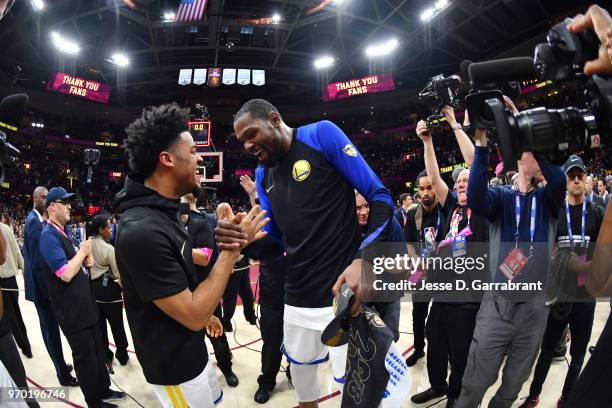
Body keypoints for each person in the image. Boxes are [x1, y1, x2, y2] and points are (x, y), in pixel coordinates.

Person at [215, 99, 399, 408]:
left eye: (251, 134)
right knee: (304, 392)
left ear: (274, 119)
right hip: (295, 300)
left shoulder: (320, 135)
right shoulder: (263, 174)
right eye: (241, 140)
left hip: (341, 300)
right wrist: (242, 244)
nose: (246, 145)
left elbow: (380, 197)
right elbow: (276, 242)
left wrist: (361, 258)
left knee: (356, 395)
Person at [115, 103, 267, 408]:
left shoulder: (164, 213)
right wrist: (232, 250)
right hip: (174, 370)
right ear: (167, 159)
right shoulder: (141, 231)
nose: (200, 159)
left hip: (192, 351)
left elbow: (180, 286)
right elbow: (192, 314)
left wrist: (208, 312)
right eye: (193, 151)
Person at [456, 96, 566, 408]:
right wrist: (480, 145)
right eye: (524, 152)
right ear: (518, 162)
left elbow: (557, 177)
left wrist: (526, 129)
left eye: (532, 152)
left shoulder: (548, 199)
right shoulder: (501, 197)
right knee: (475, 380)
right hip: (498, 306)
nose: (529, 156)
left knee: (513, 384)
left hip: (534, 307)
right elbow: (475, 196)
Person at [409, 109, 488, 408]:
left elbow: (477, 164)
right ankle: (438, 386)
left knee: (461, 353)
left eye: (467, 180)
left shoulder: (482, 210)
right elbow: (434, 179)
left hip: (468, 300)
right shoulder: (452, 208)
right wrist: (427, 142)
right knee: (435, 344)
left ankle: (457, 396)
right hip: (443, 295)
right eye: (458, 182)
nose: (461, 184)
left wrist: (454, 124)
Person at [519, 155, 604, 408]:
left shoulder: (597, 212)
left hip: (585, 297)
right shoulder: (556, 211)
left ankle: (567, 398)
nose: (577, 180)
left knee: (578, 354)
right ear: (565, 180)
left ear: (586, 179)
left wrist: (586, 265)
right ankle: (533, 396)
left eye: (580, 175)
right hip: (558, 295)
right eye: (571, 176)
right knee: (546, 352)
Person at [39, 187, 125, 408]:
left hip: (86, 306)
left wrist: (84, 260)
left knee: (97, 351)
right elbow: (65, 273)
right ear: (52, 206)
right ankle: (94, 402)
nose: (70, 206)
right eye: (65, 202)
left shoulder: (63, 231)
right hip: (72, 312)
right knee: (85, 358)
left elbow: (74, 265)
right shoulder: (48, 236)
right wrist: (82, 253)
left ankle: (104, 389)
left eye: (70, 202)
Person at [239, 175, 290, 404]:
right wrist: (253, 195)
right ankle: (267, 381)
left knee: (300, 341)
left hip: (298, 295)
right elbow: (260, 221)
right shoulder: (270, 232)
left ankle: (294, 371)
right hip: (271, 296)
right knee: (271, 341)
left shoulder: (301, 225)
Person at [180, 192, 239, 388]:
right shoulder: (168, 227)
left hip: (206, 289)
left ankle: (227, 368)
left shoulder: (200, 224)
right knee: (188, 338)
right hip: (181, 292)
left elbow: (204, 257)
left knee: (217, 335)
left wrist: (175, 248)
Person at [22, 186, 77, 386]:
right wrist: (51, 292)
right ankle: (62, 373)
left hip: (41, 288)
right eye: (43, 197)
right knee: (51, 332)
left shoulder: (37, 220)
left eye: (47, 197)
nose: (45, 200)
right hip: (41, 290)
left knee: (52, 329)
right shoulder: (33, 223)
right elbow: (38, 264)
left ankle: (61, 365)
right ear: (35, 199)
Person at [403, 169, 444, 367]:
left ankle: (448, 352)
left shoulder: (446, 211)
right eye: (422, 189)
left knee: (444, 315)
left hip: (443, 272)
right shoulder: (413, 214)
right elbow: (409, 243)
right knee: (417, 313)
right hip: (420, 271)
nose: (426, 193)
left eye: (429, 188)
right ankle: (418, 349)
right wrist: (417, 261)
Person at [87, 213, 129, 370]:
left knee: (100, 327)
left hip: (93, 291)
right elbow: (118, 275)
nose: (111, 230)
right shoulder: (109, 249)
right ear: (100, 230)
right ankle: (122, 354)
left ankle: (106, 355)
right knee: (117, 325)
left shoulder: (87, 243)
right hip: (110, 291)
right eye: (108, 227)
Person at [0, 220, 31, 358]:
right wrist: (26, 276)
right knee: (16, 314)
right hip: (12, 280)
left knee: (10, 319)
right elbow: (18, 253)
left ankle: (24, 346)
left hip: (3, 282)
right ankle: (25, 344)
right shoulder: (6, 228)